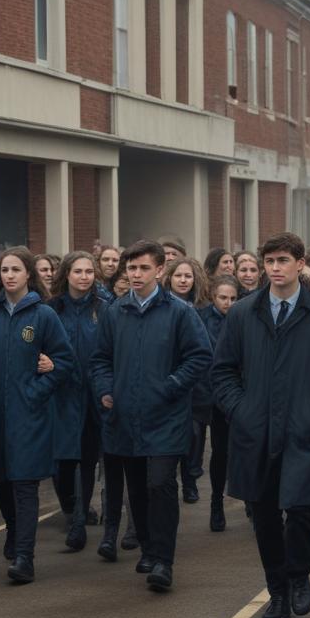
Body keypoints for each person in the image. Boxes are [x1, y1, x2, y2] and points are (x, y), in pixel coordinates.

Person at [211, 233, 310, 618]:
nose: (275, 268)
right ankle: (276, 590)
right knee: (264, 513)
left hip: (304, 429)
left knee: (302, 509)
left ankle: (299, 574)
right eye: (269, 261)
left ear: (298, 265)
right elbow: (223, 369)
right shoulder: (243, 313)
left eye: (282, 260)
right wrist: (240, 410)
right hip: (255, 431)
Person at [89, 240, 213, 592]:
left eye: (144, 268)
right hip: (125, 416)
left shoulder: (179, 312)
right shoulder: (116, 312)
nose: (136, 275)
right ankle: (146, 546)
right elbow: (100, 359)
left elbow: (200, 357)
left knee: (160, 483)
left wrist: (171, 385)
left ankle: (163, 560)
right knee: (138, 488)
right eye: (131, 268)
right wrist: (106, 390)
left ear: (160, 270)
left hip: (167, 415)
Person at [0, 247, 75, 583]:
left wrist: (36, 391)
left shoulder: (44, 315)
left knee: (24, 483)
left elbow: (64, 362)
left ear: (30, 274)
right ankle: (13, 531)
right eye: (4, 270)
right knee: (1, 480)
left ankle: (25, 557)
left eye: (16, 270)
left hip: (31, 415)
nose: (9, 275)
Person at [48, 252, 109, 553]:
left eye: (89, 272)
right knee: (60, 463)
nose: (84, 277)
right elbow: (30, 338)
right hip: (58, 394)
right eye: (78, 271)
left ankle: (79, 521)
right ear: (66, 274)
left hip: (92, 395)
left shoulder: (105, 310)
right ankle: (70, 509)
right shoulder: (49, 310)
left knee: (86, 459)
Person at [162, 256, 211, 504]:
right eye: (178, 275)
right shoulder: (161, 307)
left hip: (197, 386)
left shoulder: (202, 309)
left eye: (188, 276)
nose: (183, 280)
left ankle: (190, 480)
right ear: (169, 278)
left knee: (194, 436)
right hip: (169, 381)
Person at [201, 275, 239, 531]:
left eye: (233, 298)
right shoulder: (202, 318)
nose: (228, 303)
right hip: (215, 396)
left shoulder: (244, 317)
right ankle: (216, 502)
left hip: (241, 393)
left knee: (246, 450)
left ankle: (250, 500)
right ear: (213, 296)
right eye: (223, 298)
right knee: (221, 451)